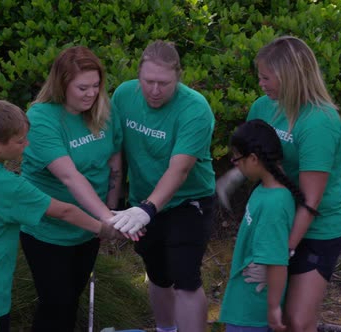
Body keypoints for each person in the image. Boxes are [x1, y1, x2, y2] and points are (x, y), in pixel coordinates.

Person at [0, 99, 120, 332]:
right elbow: (65, 210)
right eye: (20, 141)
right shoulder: (8, 186)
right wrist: (102, 228)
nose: (27, 145)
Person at [218, 36, 341, 332]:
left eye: (266, 77)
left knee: (297, 321)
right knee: (269, 316)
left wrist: (279, 256)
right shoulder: (264, 107)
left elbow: (311, 201)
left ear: (290, 77)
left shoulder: (319, 122)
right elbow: (253, 153)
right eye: (260, 76)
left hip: (317, 228)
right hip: (275, 220)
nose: (261, 84)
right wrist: (235, 175)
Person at [19, 46, 134, 332]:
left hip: (89, 228)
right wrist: (107, 219)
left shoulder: (104, 111)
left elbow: (114, 160)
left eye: (96, 86)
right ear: (62, 84)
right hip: (48, 231)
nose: (91, 93)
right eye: (82, 87)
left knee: (71, 302)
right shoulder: (42, 119)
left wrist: (109, 209)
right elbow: (70, 177)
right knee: (54, 304)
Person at [109, 40, 216, 332]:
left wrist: (148, 209)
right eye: (149, 82)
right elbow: (117, 153)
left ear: (178, 78)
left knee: (185, 278)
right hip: (142, 199)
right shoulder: (123, 96)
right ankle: (165, 329)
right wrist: (113, 204)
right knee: (156, 273)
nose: (155, 91)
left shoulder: (195, 108)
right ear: (139, 76)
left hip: (188, 201)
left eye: (164, 83)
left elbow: (179, 169)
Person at [219, 119, 320, 332]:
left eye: (237, 158)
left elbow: (276, 261)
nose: (234, 163)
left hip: (252, 310)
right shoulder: (263, 189)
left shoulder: (274, 203)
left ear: (254, 159)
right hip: (242, 301)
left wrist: (273, 308)